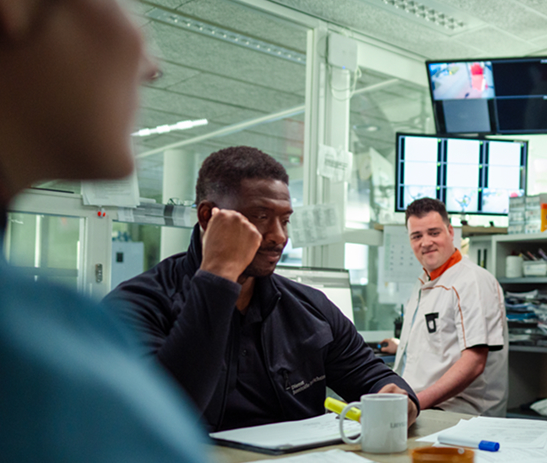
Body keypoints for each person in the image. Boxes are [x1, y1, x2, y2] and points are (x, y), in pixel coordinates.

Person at [0, 0, 333, 463]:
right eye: (125, 7)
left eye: (285, 221)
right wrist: (219, 272)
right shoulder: (53, 333)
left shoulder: (52, 324)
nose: (150, 63)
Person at [104, 146, 418, 432]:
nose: (279, 236)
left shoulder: (309, 307)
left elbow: (375, 376)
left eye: (285, 220)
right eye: (261, 216)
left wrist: (397, 396)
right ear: (208, 217)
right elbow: (157, 417)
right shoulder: (137, 304)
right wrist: (218, 278)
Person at [379, 197, 508, 415]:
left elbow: (474, 362)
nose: (426, 242)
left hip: (459, 414)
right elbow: (441, 342)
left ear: (450, 232)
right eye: (417, 236)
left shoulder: (472, 281)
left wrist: (414, 403)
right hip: (428, 408)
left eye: (434, 233)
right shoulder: (426, 283)